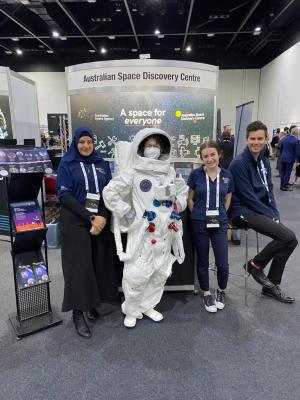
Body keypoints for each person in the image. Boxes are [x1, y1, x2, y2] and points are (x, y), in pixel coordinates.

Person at [103, 128, 188, 328]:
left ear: (162, 149)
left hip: (166, 232)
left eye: (156, 146)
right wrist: (127, 211)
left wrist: (179, 204)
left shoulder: (169, 171)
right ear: (141, 148)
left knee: (160, 274)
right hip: (143, 232)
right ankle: (131, 310)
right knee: (136, 275)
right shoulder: (133, 172)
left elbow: (183, 190)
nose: (153, 149)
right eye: (149, 145)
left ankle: (148, 306)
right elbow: (110, 192)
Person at [56, 127, 118, 338]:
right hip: (75, 221)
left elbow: (109, 193)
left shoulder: (101, 164)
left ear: (94, 144)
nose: (85, 146)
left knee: (97, 263)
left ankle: (92, 304)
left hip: (98, 219)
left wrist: (101, 218)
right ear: (75, 143)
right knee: (79, 267)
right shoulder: (67, 163)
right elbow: (65, 197)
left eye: (89, 142)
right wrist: (90, 218)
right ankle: (77, 313)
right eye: (82, 142)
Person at [229, 121, 297, 303]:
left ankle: (271, 285)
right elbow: (248, 197)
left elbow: (269, 193)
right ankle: (255, 265)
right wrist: (270, 216)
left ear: (267, 139)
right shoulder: (239, 163)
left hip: (259, 209)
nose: (256, 142)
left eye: (260, 138)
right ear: (246, 139)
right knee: (287, 237)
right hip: (241, 211)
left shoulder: (265, 161)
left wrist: (275, 216)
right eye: (252, 139)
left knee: (291, 240)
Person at [187, 140, 234, 312]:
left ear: (219, 154)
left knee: (223, 263)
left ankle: (221, 290)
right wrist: (197, 214)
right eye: (205, 156)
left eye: (212, 154)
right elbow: (190, 198)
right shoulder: (195, 175)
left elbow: (228, 198)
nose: (210, 159)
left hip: (219, 222)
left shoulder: (228, 175)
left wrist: (222, 213)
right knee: (203, 260)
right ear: (201, 158)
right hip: (200, 222)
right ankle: (206, 293)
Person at [279, 125, 297, 191]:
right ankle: (285, 186)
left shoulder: (284, 138)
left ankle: (282, 185)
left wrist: (282, 155)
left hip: (283, 157)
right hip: (290, 159)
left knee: (283, 172)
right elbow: (296, 152)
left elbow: (281, 148)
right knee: (287, 172)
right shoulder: (295, 140)